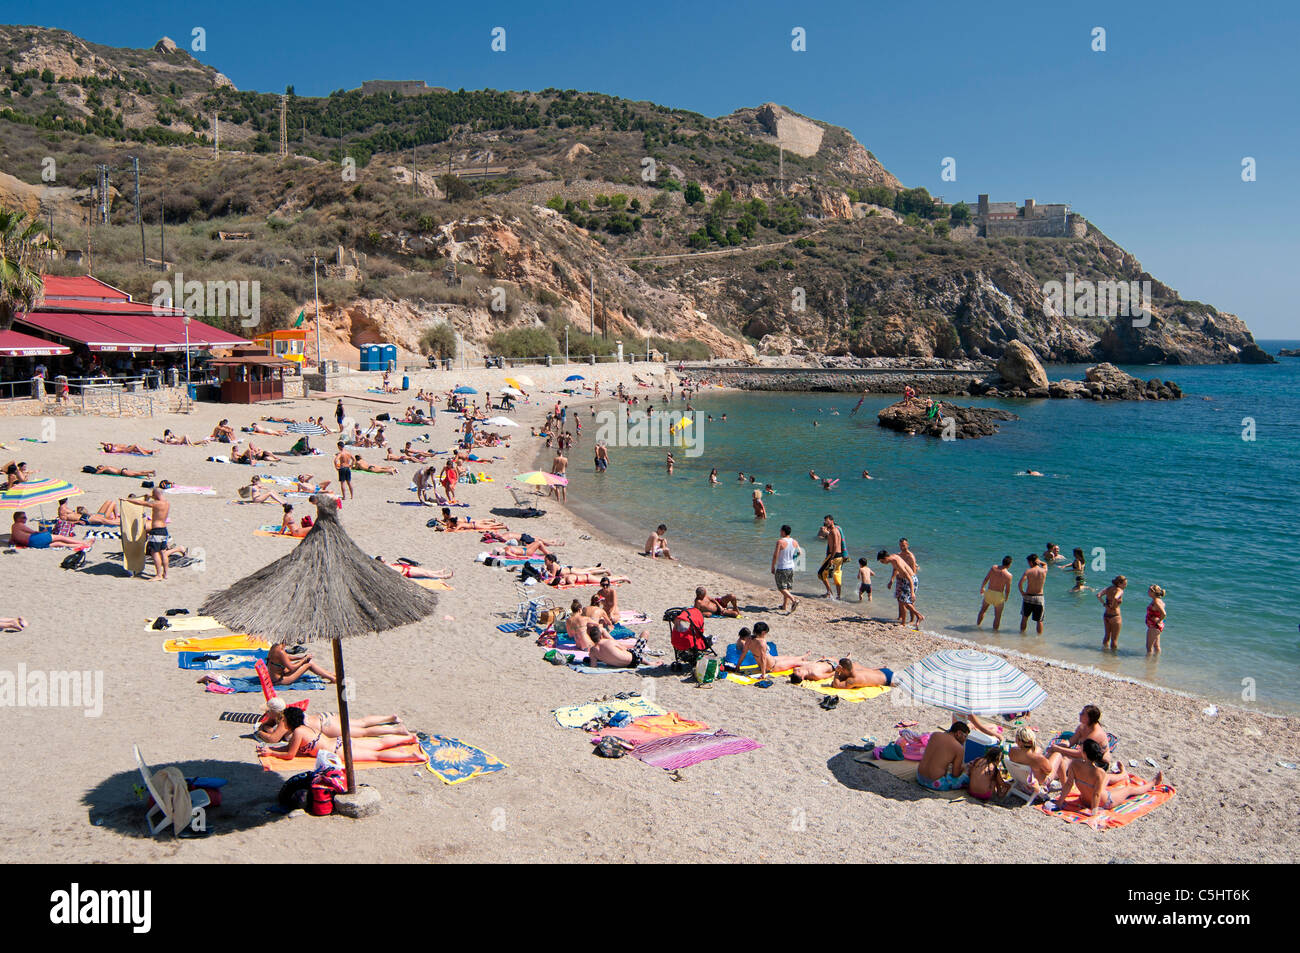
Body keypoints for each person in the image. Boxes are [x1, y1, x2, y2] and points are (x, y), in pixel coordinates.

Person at [1058, 738, 1162, 824]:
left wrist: (1060, 802)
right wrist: (1094, 814)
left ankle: (1123, 775)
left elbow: (1068, 784)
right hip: (1103, 803)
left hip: (1084, 800)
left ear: (1084, 753)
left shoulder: (1074, 765)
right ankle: (1153, 782)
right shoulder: (1098, 772)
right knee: (1129, 789)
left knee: (1106, 777)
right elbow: (1096, 795)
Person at [258, 706, 417, 761]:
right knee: (376, 742)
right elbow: (288, 748)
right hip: (336, 739)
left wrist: (271, 752)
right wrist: (273, 751)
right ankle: (408, 738)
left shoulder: (298, 732)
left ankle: (411, 757)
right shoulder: (305, 728)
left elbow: (290, 754)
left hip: (336, 750)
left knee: (376, 755)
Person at [255, 698, 408, 743]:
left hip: (327, 727)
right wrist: (268, 725)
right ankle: (390, 718)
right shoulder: (290, 712)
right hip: (326, 717)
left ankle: (396, 730)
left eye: (268, 711)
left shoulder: (283, 721)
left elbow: (273, 739)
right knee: (360, 722)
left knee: (363, 732)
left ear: (273, 712)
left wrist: (260, 732)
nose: (266, 713)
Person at [136, 488, 182, 580]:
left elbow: (142, 503)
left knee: (155, 553)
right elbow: (157, 497)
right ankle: (165, 574)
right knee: (163, 553)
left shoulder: (155, 503)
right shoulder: (167, 503)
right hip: (164, 530)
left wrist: (127, 500)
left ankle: (158, 575)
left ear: (156, 494)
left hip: (156, 531)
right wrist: (151, 496)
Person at [732, 623, 809, 677]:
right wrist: (763, 674)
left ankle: (803, 656)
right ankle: (810, 660)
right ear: (763, 632)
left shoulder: (749, 639)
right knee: (796, 662)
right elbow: (763, 658)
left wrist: (738, 666)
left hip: (772, 660)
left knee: (789, 657)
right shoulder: (762, 642)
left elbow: (743, 653)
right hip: (772, 667)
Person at [1008, 727, 1065, 795]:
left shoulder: (1012, 751)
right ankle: (1065, 784)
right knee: (1058, 755)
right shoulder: (1037, 757)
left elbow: (1028, 756)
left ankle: (1064, 781)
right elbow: (1048, 771)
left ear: (1019, 741)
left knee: (1047, 756)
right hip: (1038, 781)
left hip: (1022, 779)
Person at [916, 722, 970, 791]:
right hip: (935, 783)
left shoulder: (935, 734)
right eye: (965, 736)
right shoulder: (959, 748)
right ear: (959, 733)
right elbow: (955, 774)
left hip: (919, 777)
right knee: (964, 777)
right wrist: (963, 769)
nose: (965, 740)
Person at [878, 549, 924, 625]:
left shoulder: (897, 562)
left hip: (910, 581)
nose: (882, 563)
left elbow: (909, 577)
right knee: (901, 601)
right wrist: (891, 580)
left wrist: (912, 593)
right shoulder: (893, 558)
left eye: (882, 561)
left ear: (886, 558)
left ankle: (905, 622)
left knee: (903, 602)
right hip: (904, 580)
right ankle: (918, 616)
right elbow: (895, 569)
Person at [265, 642, 336, 685]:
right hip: (280, 680)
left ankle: (329, 675)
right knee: (309, 664)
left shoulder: (275, 647)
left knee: (308, 661)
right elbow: (292, 667)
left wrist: (300, 657)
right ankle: (332, 678)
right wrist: (304, 660)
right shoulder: (280, 651)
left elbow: (287, 657)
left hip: (278, 676)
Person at [8, 511, 85, 550]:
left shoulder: (13, 526)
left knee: (59, 543)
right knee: (60, 537)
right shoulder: (19, 525)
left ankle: (79, 545)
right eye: (23, 517)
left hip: (32, 544)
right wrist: (44, 531)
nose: (26, 519)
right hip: (34, 539)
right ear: (17, 519)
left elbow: (12, 539)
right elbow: (34, 532)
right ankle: (83, 543)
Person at [977, 556, 1014, 630]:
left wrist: (982, 587)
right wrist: (1006, 597)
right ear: (1009, 564)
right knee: (997, 616)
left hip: (990, 592)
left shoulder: (994, 568)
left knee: (983, 610)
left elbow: (986, 578)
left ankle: (977, 626)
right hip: (999, 596)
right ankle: (994, 633)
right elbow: (1007, 589)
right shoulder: (1009, 575)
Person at [771, 524, 800, 613]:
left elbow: (775, 555)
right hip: (791, 567)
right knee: (787, 587)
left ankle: (793, 600)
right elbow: (799, 552)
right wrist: (792, 559)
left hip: (782, 567)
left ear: (783, 531)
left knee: (781, 587)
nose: (780, 532)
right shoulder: (794, 541)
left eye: (780, 530)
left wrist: (772, 566)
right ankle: (784, 605)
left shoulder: (780, 542)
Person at [816, 515, 847, 600]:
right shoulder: (834, 531)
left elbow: (835, 545)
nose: (826, 523)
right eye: (825, 521)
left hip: (834, 556)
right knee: (837, 575)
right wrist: (826, 533)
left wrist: (832, 558)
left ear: (832, 521)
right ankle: (838, 596)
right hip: (839, 557)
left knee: (821, 573)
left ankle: (830, 593)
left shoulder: (834, 531)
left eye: (827, 521)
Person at [1018, 553, 1048, 635]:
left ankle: (1022, 635)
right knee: (1039, 620)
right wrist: (1039, 561)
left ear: (1031, 562)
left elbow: (1020, 583)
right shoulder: (1044, 571)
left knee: (1024, 617)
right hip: (1039, 597)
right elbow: (1045, 564)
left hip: (1028, 596)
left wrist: (1022, 593)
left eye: (1028, 562)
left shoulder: (1028, 571)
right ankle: (1039, 639)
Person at [1097, 575, 1127, 649]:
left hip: (1106, 615)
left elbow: (1098, 595)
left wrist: (1104, 604)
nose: (1126, 586)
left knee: (1107, 636)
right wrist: (1113, 606)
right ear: (1119, 584)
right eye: (1124, 584)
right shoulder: (1120, 590)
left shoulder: (1109, 588)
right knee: (1114, 640)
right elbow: (1115, 597)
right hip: (1115, 616)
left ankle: (1104, 653)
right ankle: (1113, 657)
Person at [1145, 585, 1167, 655]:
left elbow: (1164, 613)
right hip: (1156, 626)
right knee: (1156, 646)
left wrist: (1158, 621)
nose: (1147, 592)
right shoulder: (1158, 600)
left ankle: (1148, 663)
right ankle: (1155, 662)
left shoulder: (1156, 602)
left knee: (1149, 647)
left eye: (1149, 590)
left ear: (1153, 592)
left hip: (1154, 626)